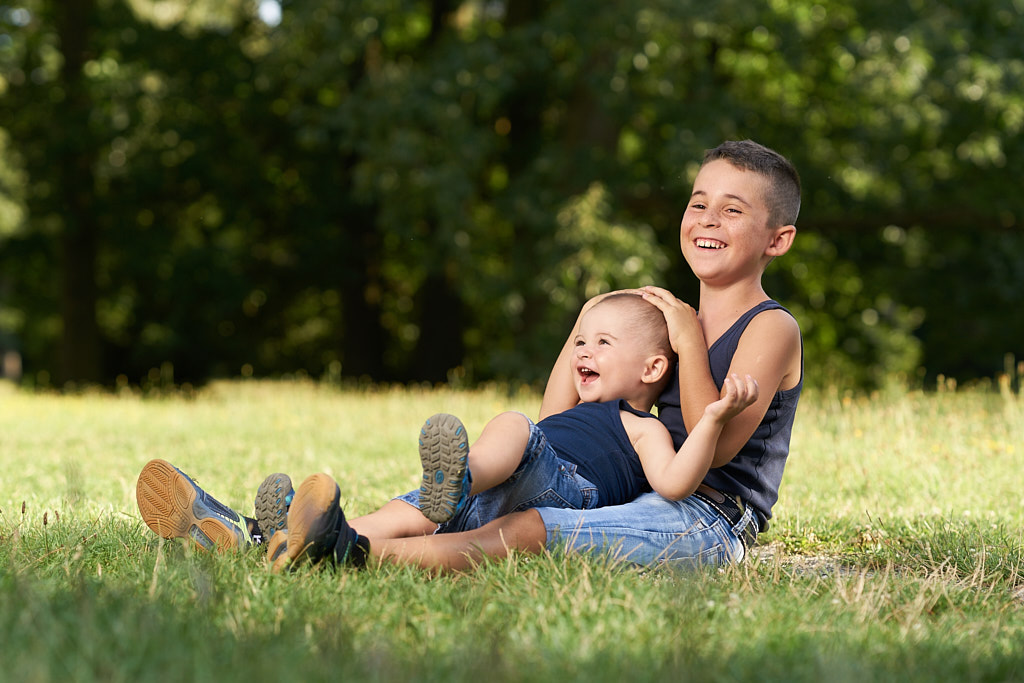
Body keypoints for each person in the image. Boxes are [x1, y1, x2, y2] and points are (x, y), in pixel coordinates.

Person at [137, 138, 802, 574]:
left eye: (733, 210)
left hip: (705, 517)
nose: (708, 218)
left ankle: (352, 552)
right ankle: (280, 538)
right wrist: (585, 324)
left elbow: (710, 451)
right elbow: (558, 423)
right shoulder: (651, 320)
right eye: (698, 202)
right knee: (468, 487)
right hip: (631, 484)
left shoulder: (770, 328)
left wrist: (687, 340)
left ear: (777, 239)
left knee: (533, 527)